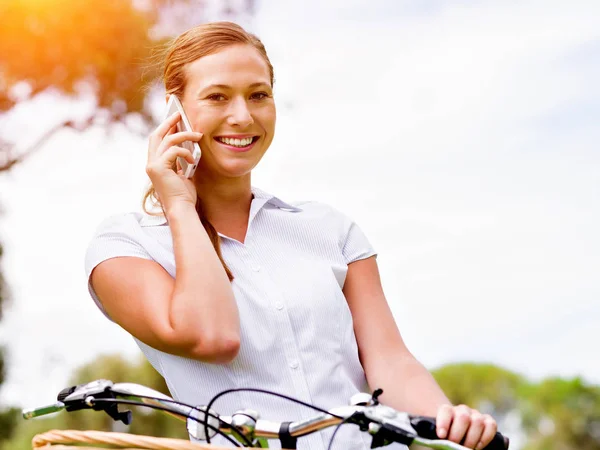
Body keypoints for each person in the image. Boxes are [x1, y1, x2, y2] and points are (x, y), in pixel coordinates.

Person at [84, 21, 499, 450]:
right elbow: (213, 336)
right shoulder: (125, 247)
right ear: (175, 111)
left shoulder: (329, 229)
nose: (243, 116)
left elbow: (388, 361)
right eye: (217, 96)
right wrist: (179, 206)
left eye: (259, 95)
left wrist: (449, 424)